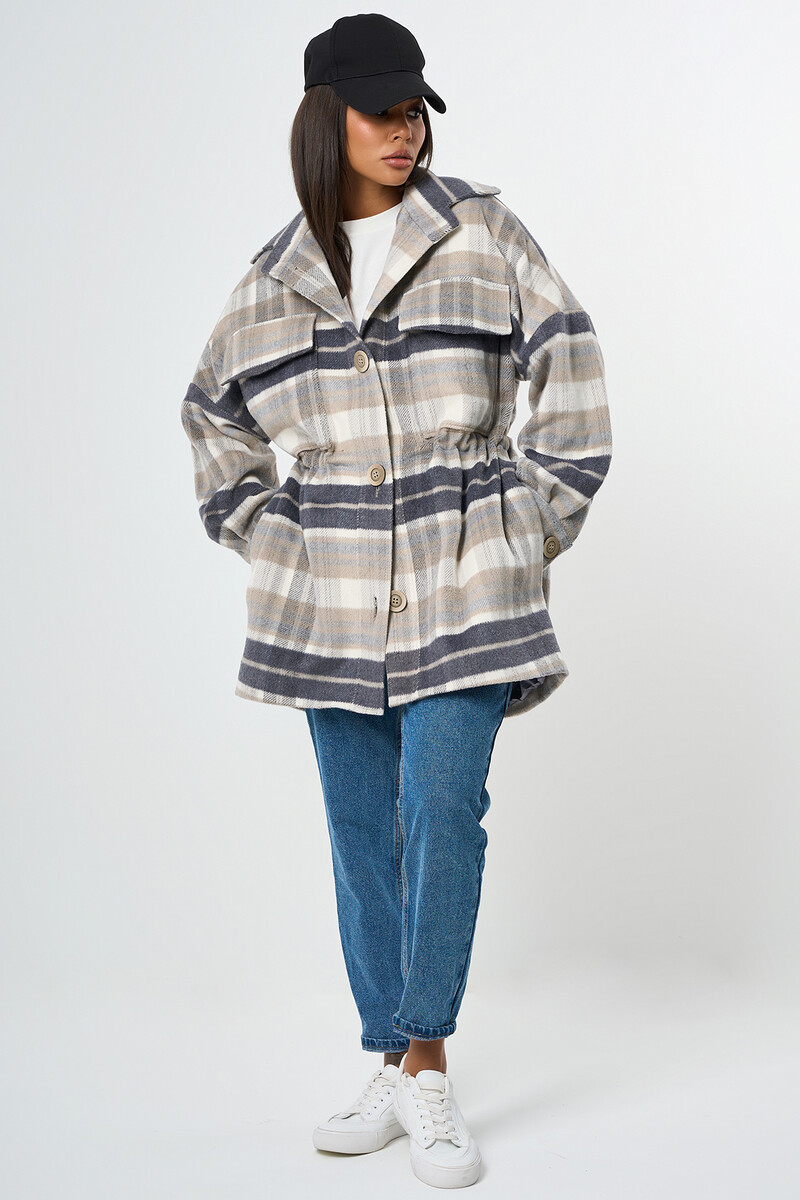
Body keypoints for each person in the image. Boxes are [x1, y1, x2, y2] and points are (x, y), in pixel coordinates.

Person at [180, 12, 612, 1190]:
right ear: (323, 123)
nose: (402, 129)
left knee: (441, 808)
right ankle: (391, 1057)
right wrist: (272, 533)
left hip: (466, 582)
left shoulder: (479, 229)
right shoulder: (273, 279)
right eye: (379, 110)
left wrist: (524, 525)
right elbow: (212, 416)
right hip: (329, 602)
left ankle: (424, 1067)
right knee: (360, 834)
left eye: (413, 108)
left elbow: (570, 362)